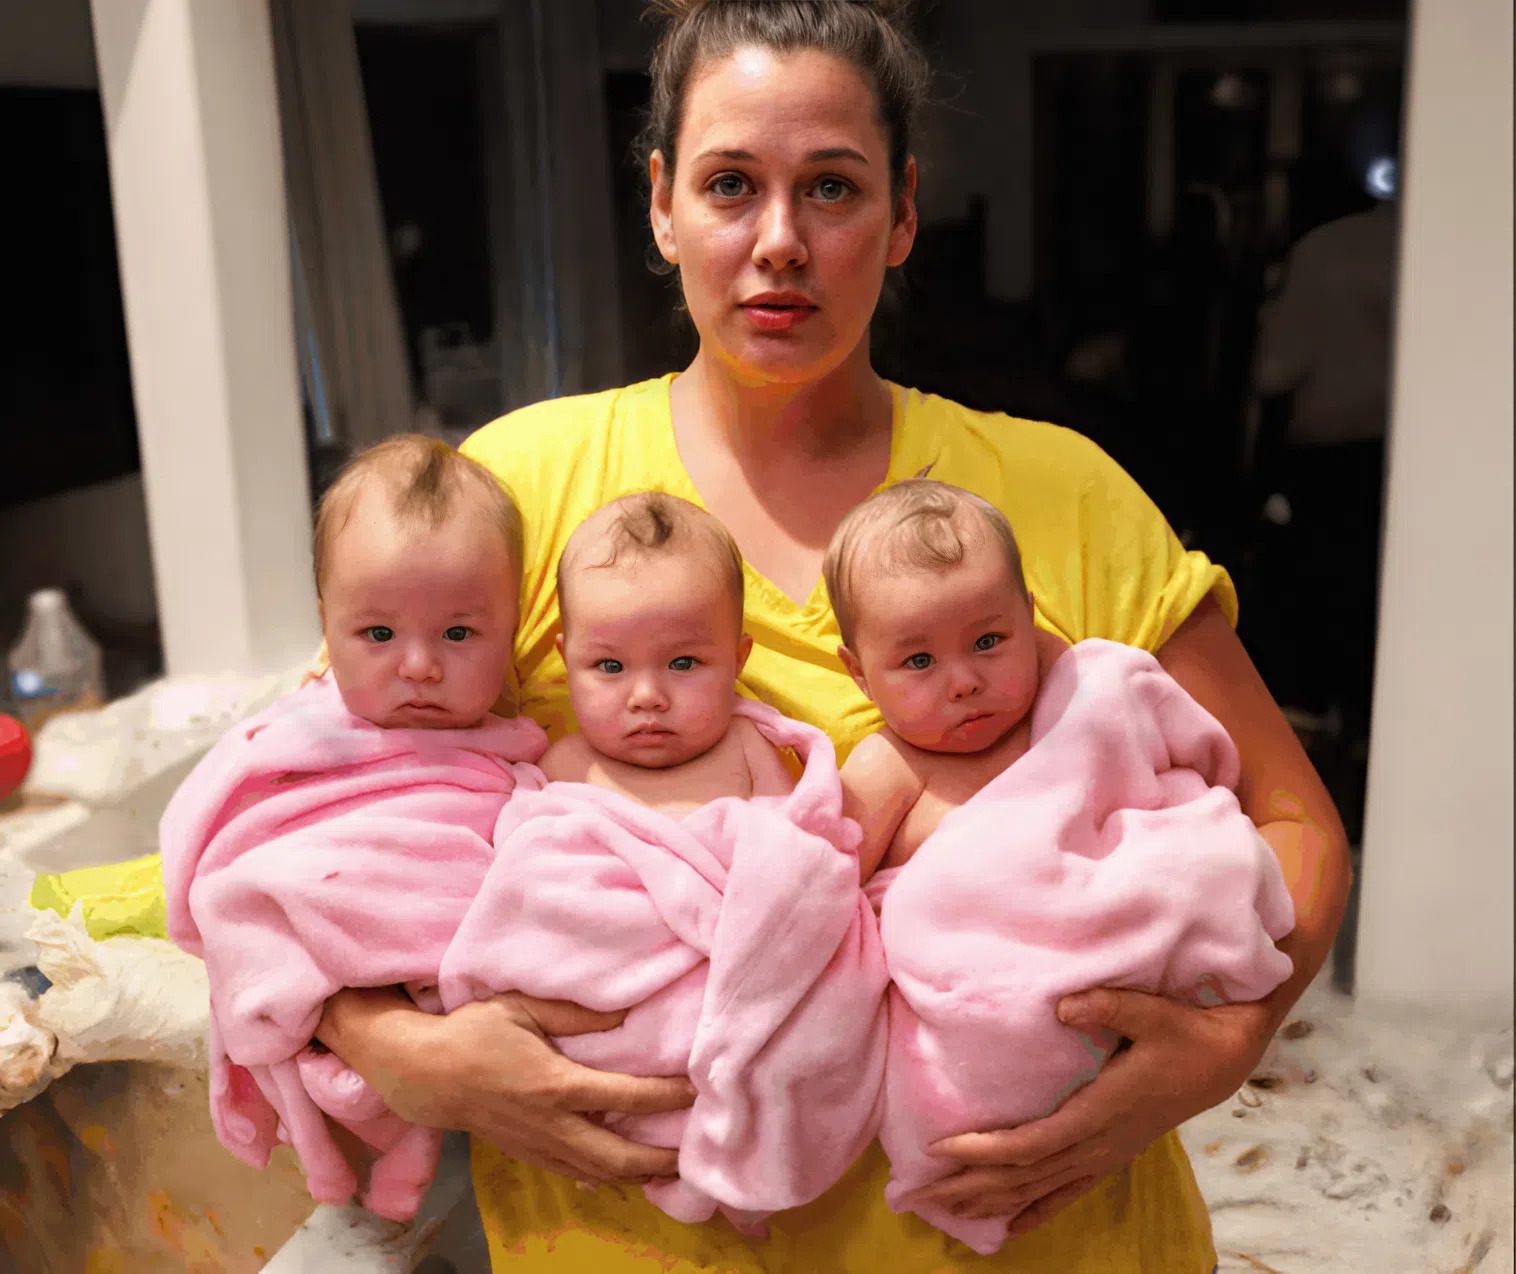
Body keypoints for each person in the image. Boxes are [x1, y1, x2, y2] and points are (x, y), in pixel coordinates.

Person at [314, 3, 1351, 1270]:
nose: (780, 242)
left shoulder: (1060, 491)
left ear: (902, 213)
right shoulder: (519, 489)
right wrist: (401, 1048)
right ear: (661, 205)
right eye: (730, 185)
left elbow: (1293, 821)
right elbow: (321, 805)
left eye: (832, 187)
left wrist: (1228, 1041)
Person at [826, 479, 1296, 1253]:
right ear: (858, 672)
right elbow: (819, 897)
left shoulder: (1085, 702)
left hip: (1118, 1009)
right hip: (976, 1021)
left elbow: (1202, 781)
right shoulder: (889, 768)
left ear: (1030, 617)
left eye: (989, 641)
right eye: (918, 660)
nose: (963, 680)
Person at [161, 436, 550, 1220]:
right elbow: (214, 831)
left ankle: (401, 1153)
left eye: (459, 634)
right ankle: (340, 1142)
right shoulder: (295, 739)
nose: (419, 665)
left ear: (512, 631)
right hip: (320, 951)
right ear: (326, 627)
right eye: (378, 635)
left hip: (452, 1014)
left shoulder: (511, 754)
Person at [541, 491, 794, 810]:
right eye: (610, 666)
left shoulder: (748, 749)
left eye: (683, 663)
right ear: (567, 662)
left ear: (738, 659)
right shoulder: (563, 766)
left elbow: (799, 828)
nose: (647, 696)